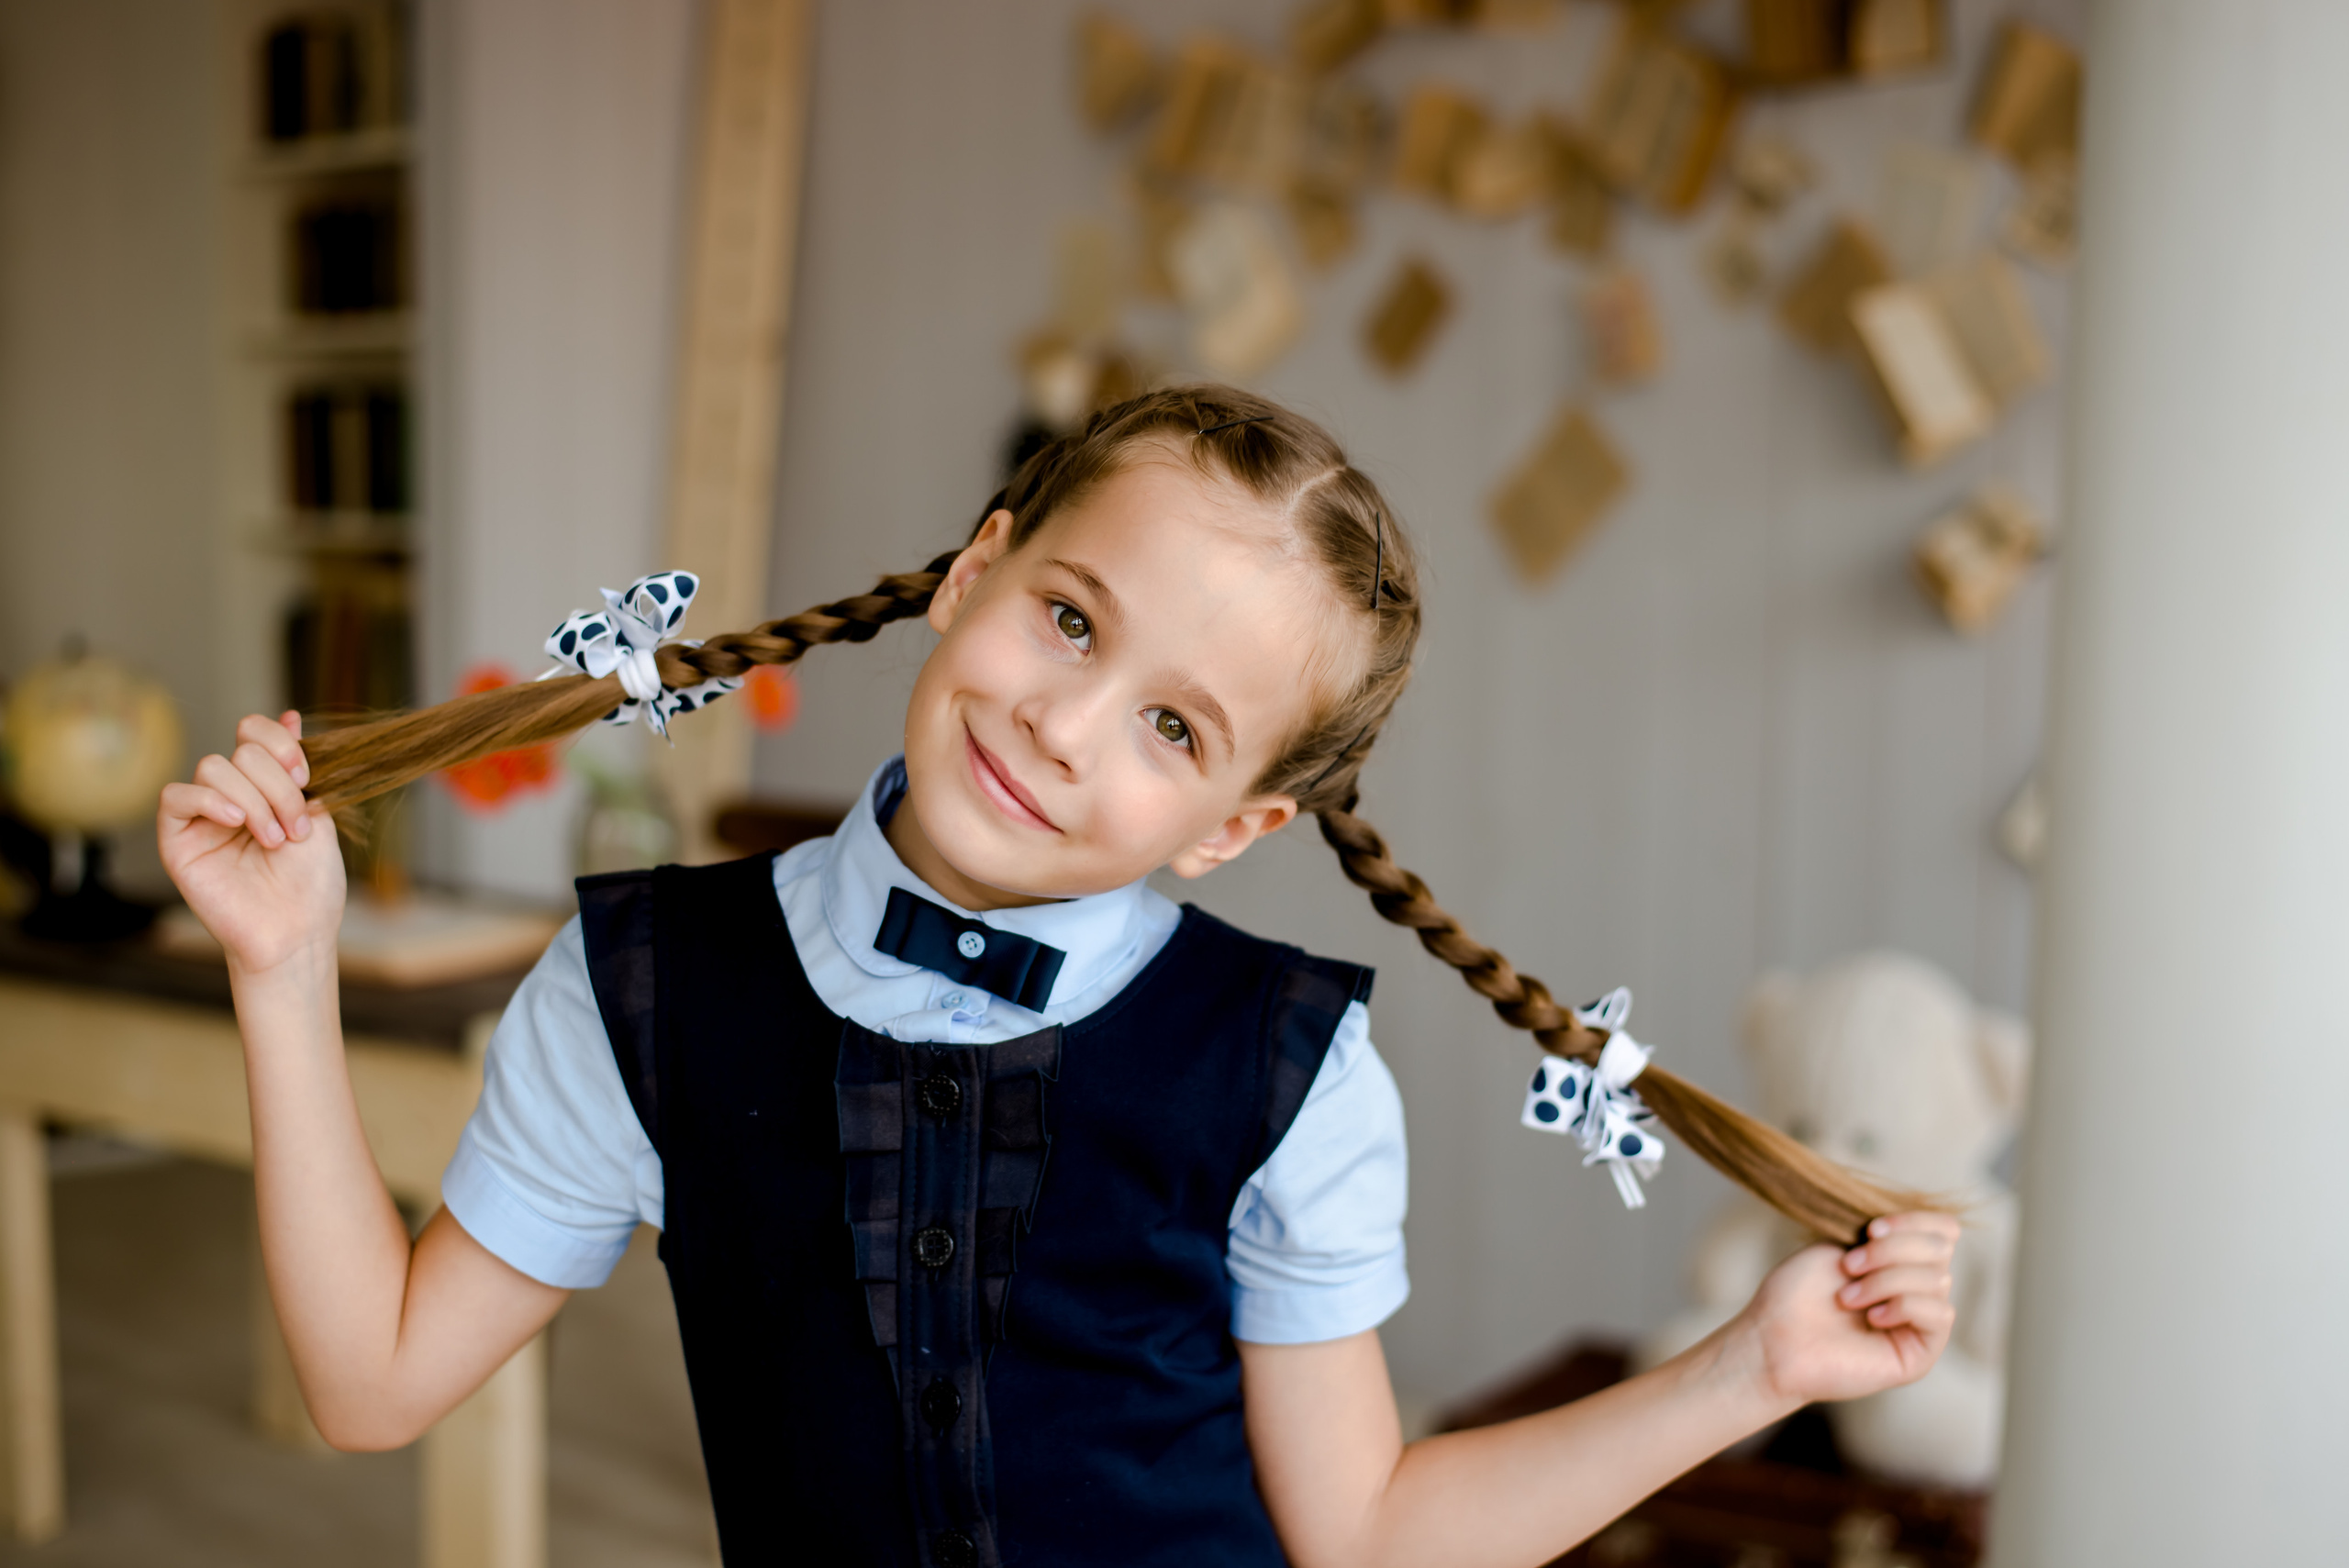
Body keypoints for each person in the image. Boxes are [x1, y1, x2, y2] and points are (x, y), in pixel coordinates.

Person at [159, 387, 1959, 1568]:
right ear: (973, 574)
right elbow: (370, 1387)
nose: (1061, 719)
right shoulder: (641, 984)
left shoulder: (1288, 1073)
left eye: (1170, 724)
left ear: (1230, 827)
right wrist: (283, 972)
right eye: (1069, 618)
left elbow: (1367, 1533)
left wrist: (1749, 1369)